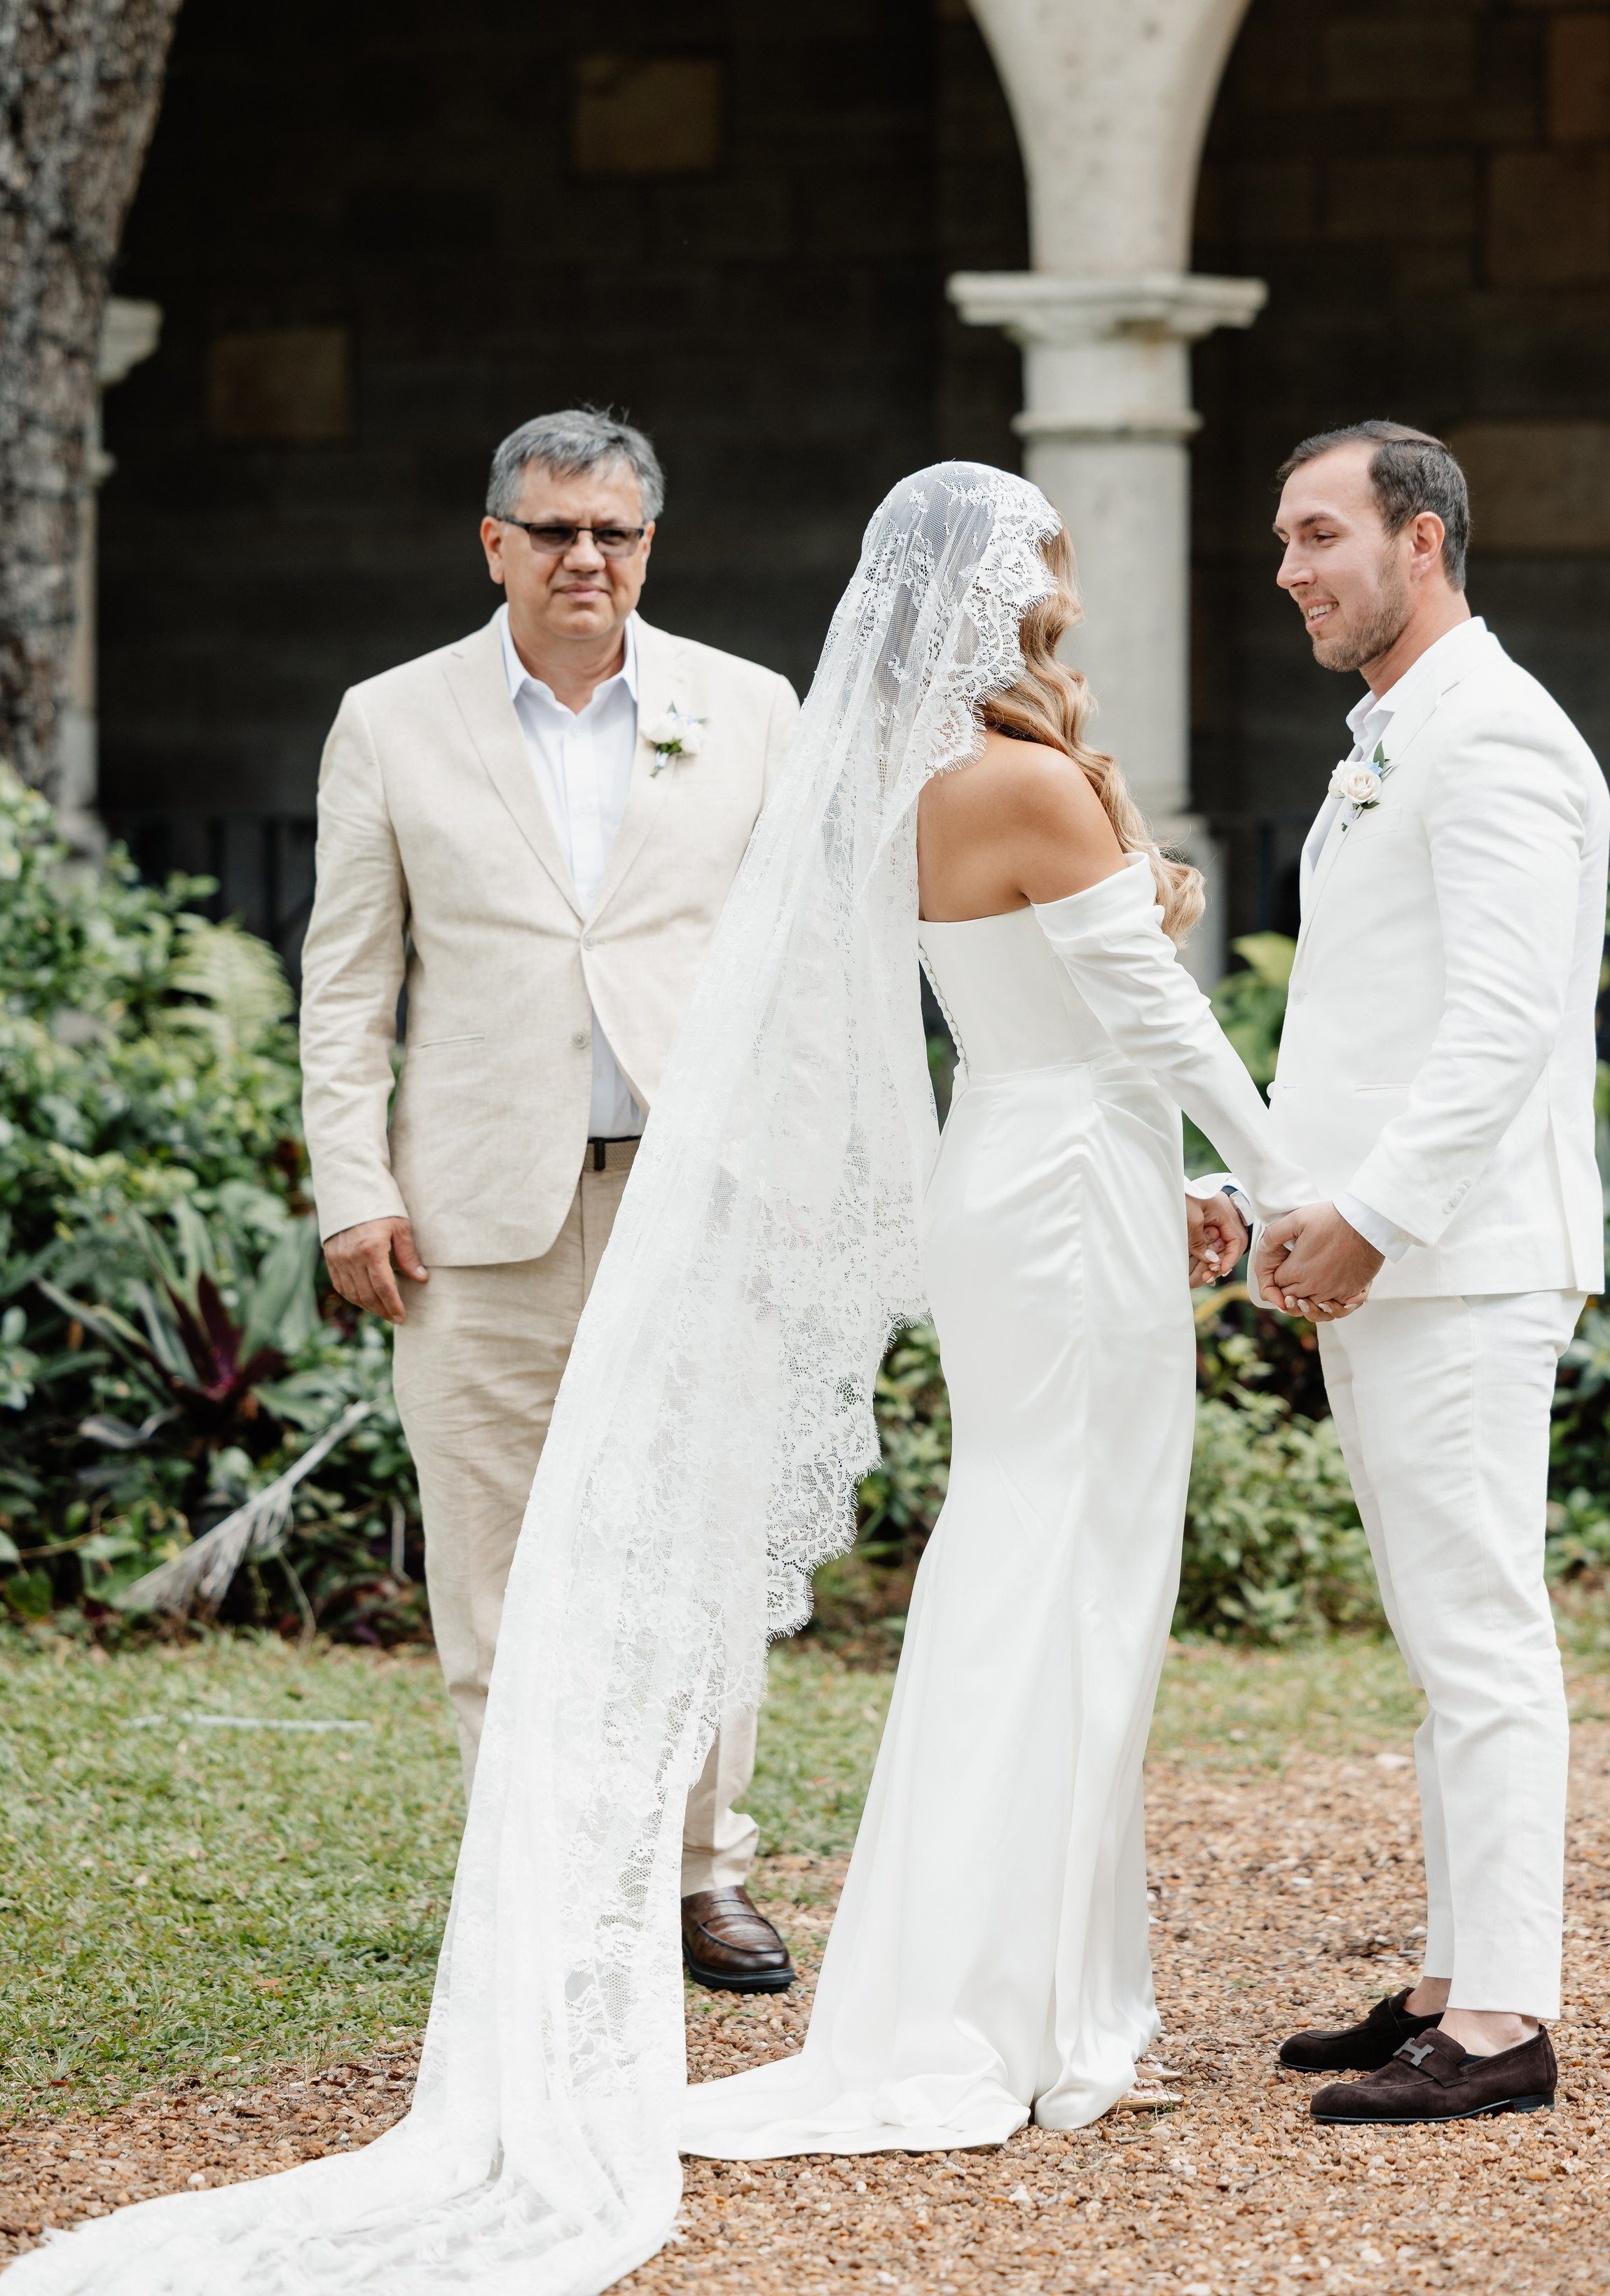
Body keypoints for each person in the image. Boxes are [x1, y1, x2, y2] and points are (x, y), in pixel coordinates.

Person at [13, 464, 1315, 2296]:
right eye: (1048, 569)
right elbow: (1163, 1021)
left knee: (1026, 1575)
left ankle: (1027, 1999)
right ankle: (1027, 2014)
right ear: (985, 593)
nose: (1070, 599)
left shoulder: (910, 773)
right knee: (1066, 1582)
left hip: (1031, 1179)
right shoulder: (1017, 778)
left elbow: (1051, 1025)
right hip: (1050, 1206)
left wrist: (1171, 1169)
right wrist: (1281, 1186)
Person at [298, 404, 801, 1996]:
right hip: (470, 1217)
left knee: (699, 1550)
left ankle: (701, 1874)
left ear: (649, 546)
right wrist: (350, 1188)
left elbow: (798, 966)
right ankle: (543, 1882)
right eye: (555, 529)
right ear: (494, 541)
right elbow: (344, 983)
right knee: (498, 1568)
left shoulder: (748, 707)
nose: (585, 557)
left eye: (615, 533)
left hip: (690, 1200)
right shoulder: (389, 719)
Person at [1256, 422, 1609, 2128]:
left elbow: (1499, 1022)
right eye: (1282, 541)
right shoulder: (1396, 736)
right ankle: (1451, 1976)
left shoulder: (1494, 737)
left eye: (1317, 533)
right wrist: (1257, 1193)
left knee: (1478, 1632)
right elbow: (1367, 1025)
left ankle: (1505, 2019)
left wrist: (1372, 1217)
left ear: (1422, 539)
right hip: (1404, 1257)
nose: (1288, 570)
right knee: (1438, 1631)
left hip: (1460, 1263)